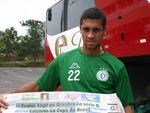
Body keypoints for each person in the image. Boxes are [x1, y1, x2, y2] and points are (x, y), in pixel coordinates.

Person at [0, 7, 134, 113]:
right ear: (80, 29)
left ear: (104, 31)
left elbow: (126, 105)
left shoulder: (117, 67)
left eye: (96, 30)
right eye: (86, 29)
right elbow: (37, 86)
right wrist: (7, 97)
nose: (90, 35)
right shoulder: (63, 60)